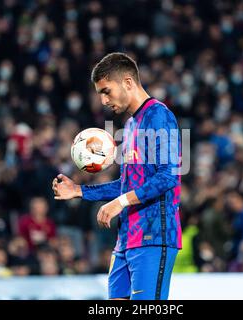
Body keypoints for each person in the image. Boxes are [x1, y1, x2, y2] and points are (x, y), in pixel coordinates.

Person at [51, 52, 182, 300]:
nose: (102, 100)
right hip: (127, 238)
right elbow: (126, 185)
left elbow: (168, 176)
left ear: (128, 82)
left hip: (153, 236)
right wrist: (79, 191)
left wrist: (120, 203)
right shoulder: (131, 125)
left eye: (106, 91)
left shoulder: (159, 115)